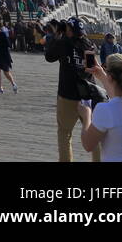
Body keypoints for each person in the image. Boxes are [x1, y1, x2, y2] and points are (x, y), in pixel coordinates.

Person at [45, 19, 100, 162]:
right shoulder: (89, 45)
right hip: (87, 94)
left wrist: (57, 35)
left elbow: (49, 57)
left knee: (64, 133)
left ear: (69, 30)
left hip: (67, 94)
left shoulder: (64, 43)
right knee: (94, 133)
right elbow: (90, 69)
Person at [0, 22, 17, 93]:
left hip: (3, 55)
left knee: (6, 72)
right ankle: (0, 88)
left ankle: (13, 84)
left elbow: (8, 44)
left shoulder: (2, 33)